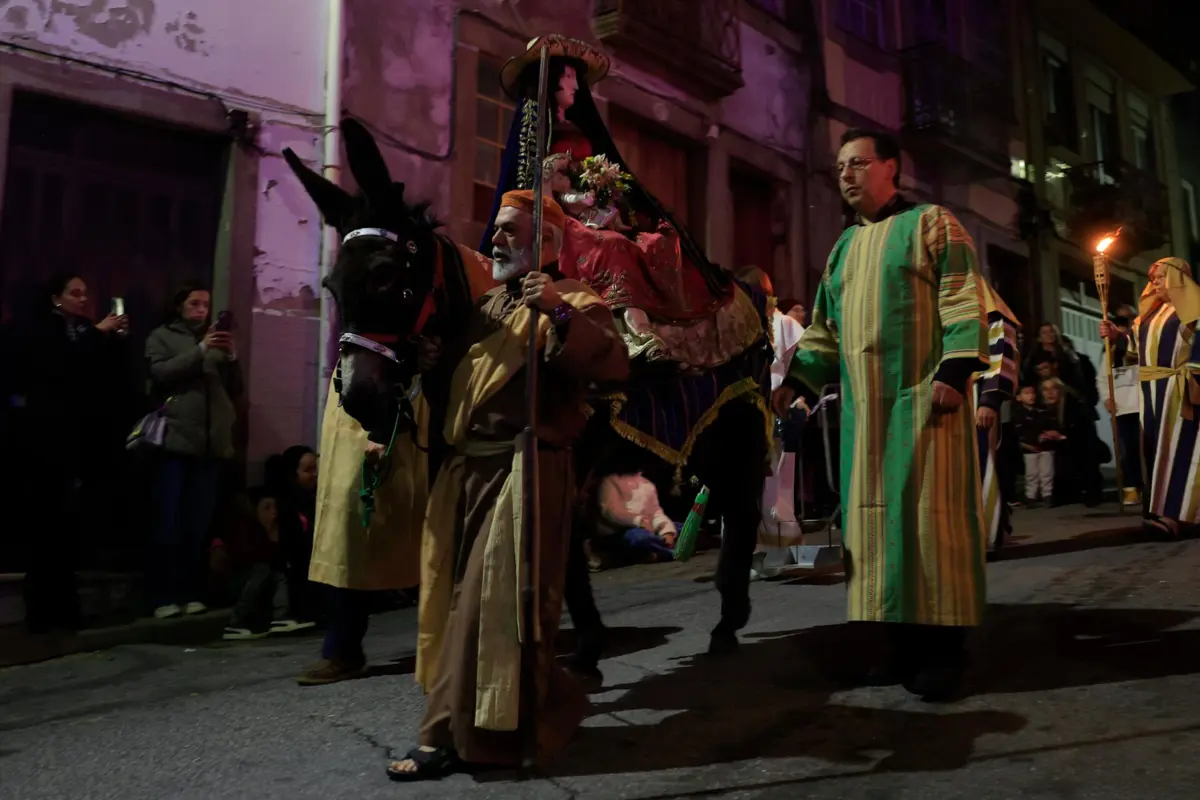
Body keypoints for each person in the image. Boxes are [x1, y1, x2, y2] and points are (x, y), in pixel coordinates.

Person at [387, 190, 629, 781]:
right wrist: (433, 359)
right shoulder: (487, 304)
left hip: (523, 472)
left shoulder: (573, 297)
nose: (495, 240)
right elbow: (461, 388)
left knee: (486, 613)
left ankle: (449, 736)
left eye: (509, 231)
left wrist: (558, 313)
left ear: (546, 242)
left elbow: (610, 361)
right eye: (494, 230)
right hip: (467, 474)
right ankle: (536, 710)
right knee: (454, 607)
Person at [772, 128, 989, 702]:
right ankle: (897, 647)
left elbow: (963, 294)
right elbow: (824, 329)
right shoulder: (843, 248)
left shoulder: (933, 225)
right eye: (840, 166)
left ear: (892, 167)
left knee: (927, 523)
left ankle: (944, 651)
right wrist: (799, 383)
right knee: (876, 531)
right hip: (864, 419)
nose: (846, 174)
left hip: (923, 405)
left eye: (858, 163)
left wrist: (955, 370)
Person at [295, 244, 496, 687]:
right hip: (355, 398)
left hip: (409, 403)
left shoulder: (422, 277)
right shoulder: (358, 277)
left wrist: (427, 354)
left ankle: (450, 640)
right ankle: (343, 648)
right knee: (348, 527)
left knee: (428, 528)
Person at [17, 273, 130, 632]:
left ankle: (65, 608)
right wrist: (97, 333)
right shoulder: (41, 330)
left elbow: (98, 377)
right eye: (75, 293)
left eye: (86, 293)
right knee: (44, 529)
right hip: (43, 442)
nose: (83, 299)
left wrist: (112, 339)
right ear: (56, 297)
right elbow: (55, 367)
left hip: (76, 442)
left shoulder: (83, 331)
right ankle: (41, 611)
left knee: (67, 529)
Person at [145, 283, 242, 619]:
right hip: (174, 439)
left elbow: (234, 389)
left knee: (197, 524)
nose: (201, 310)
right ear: (179, 306)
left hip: (209, 445)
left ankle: (190, 591)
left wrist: (231, 358)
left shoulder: (215, 340)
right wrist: (200, 350)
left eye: (206, 305)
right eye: (194, 303)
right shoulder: (162, 336)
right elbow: (160, 373)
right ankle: (163, 595)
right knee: (168, 521)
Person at [1100, 257, 1200, 536]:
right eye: (1152, 278)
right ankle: (1160, 510)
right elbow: (1135, 349)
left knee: (1180, 450)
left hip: (1177, 390)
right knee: (1155, 452)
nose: (1153, 282)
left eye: (1160, 277)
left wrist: (1195, 377)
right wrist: (1116, 336)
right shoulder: (1149, 315)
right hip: (1150, 392)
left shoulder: (1193, 308)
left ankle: (1175, 517)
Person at [974, 285, 1020, 552]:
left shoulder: (996, 317)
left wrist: (989, 401)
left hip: (978, 397)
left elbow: (1002, 359)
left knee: (984, 465)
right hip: (958, 398)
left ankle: (991, 532)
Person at [266, 445, 321, 632]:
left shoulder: (313, 500)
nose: (314, 475)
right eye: (307, 470)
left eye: (315, 470)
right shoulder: (283, 504)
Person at [221, 488, 285, 640]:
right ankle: (236, 622)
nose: (273, 512)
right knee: (262, 569)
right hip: (239, 583)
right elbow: (249, 561)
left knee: (279, 573)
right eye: (267, 508)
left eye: (275, 508)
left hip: (260, 585)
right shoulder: (244, 530)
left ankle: (282, 617)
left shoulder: (278, 529)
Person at [1098, 304, 1143, 507]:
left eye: (1128, 320)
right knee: (1128, 451)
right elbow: (1102, 378)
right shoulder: (1109, 350)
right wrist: (1107, 398)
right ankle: (1131, 489)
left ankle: (1151, 488)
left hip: (1143, 405)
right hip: (1123, 408)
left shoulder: (1142, 342)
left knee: (1147, 449)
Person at [1014, 385, 1057, 505]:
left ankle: (1047, 495)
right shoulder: (1018, 414)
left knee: (1047, 472)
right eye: (1026, 393)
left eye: (1032, 393)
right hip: (1029, 449)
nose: (1031, 396)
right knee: (1031, 473)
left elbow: (1049, 426)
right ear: (1019, 397)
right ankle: (1031, 496)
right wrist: (1026, 444)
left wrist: (1049, 435)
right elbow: (1019, 432)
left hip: (1046, 447)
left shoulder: (1043, 411)